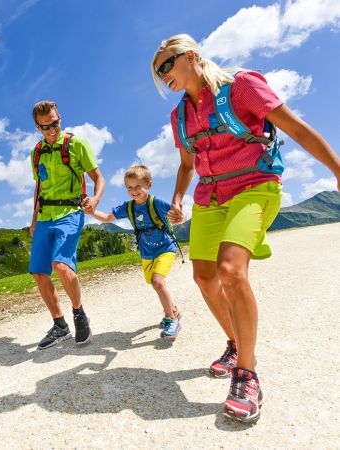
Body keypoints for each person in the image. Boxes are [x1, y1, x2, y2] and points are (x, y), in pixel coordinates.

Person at [151, 34, 340, 422]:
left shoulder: (241, 86)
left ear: (189, 56)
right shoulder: (179, 116)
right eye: (157, 73)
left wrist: (337, 170)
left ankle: (247, 375)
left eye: (166, 65)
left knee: (231, 271)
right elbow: (187, 165)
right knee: (204, 278)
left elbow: (297, 128)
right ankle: (236, 344)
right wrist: (177, 200)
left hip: (255, 185)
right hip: (209, 197)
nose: (162, 75)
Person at [29, 100, 105, 350]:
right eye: (46, 126)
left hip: (70, 212)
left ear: (60, 117)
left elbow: (98, 177)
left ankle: (79, 313)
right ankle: (59, 325)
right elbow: (39, 186)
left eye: (55, 122)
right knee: (40, 273)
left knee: (60, 265)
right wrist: (33, 220)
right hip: (44, 217)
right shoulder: (36, 152)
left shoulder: (76, 144)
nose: (53, 129)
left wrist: (95, 198)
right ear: (38, 127)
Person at [90, 165, 182, 339]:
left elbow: (175, 216)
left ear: (149, 185)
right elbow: (107, 218)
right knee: (153, 283)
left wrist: (179, 217)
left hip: (165, 248)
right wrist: (91, 211)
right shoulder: (128, 207)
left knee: (157, 281)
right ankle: (173, 309)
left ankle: (171, 319)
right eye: (129, 187)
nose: (133, 191)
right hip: (147, 253)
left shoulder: (157, 203)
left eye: (138, 186)